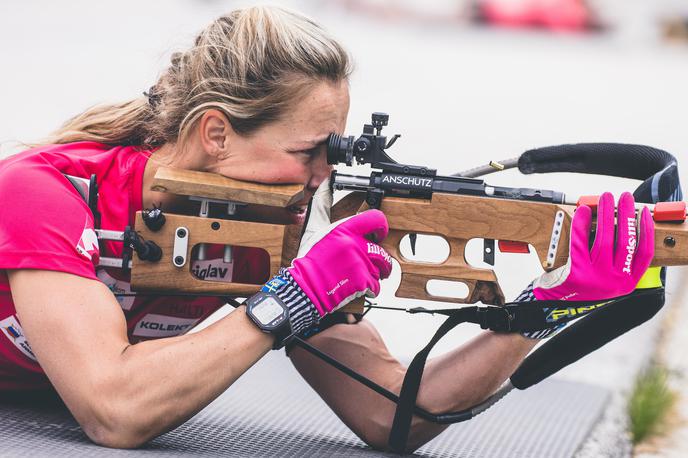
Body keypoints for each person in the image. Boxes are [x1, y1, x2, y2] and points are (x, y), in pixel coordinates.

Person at [0, 5, 654, 453]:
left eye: (334, 153)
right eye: (310, 151)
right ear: (217, 135)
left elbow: (391, 413)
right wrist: (285, 303)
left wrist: (546, 307)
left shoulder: (263, 221)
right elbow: (113, 411)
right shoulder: (47, 194)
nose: (323, 176)